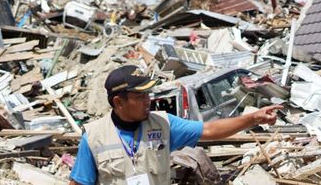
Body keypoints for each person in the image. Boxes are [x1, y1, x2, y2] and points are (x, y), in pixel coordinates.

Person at [69, 65, 283, 185]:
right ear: (118, 102)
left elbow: (209, 130)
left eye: (148, 94)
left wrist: (252, 118)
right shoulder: (94, 137)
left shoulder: (163, 124)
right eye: (140, 96)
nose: (148, 100)